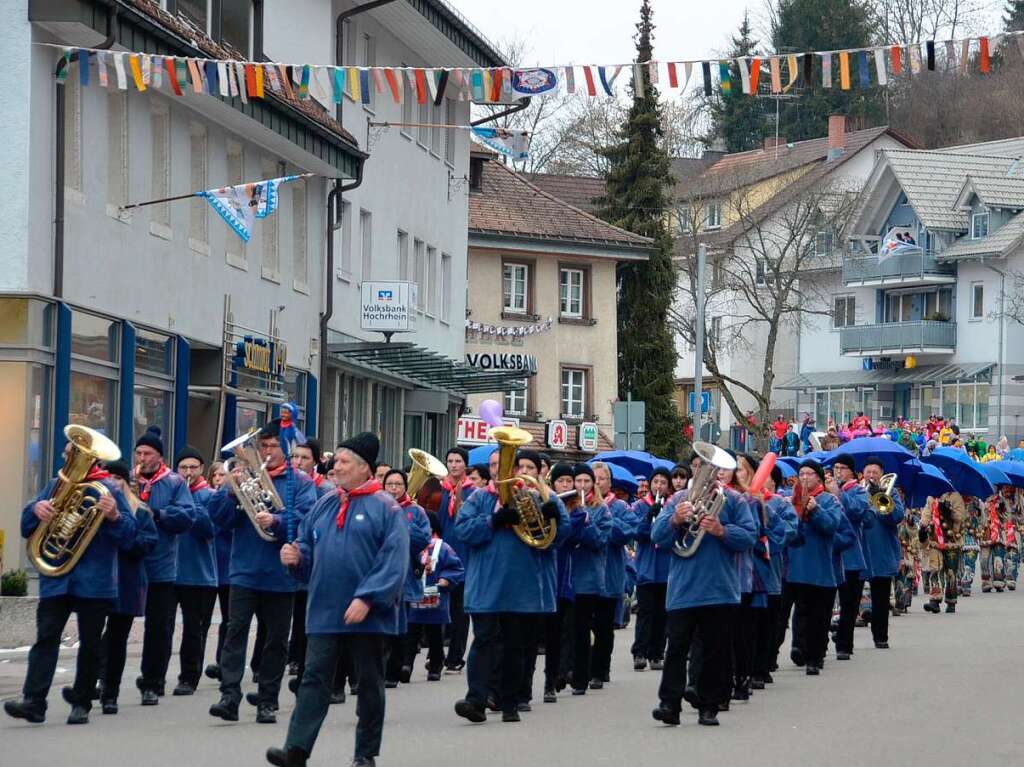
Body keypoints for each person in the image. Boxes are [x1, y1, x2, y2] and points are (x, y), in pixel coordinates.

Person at [267, 432, 409, 767]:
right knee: (314, 679)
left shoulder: (386, 508)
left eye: (344, 462)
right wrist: (296, 557)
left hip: (368, 614)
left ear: (364, 469)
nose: (336, 466)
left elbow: (394, 562)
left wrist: (368, 598)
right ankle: (296, 750)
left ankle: (365, 753)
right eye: (337, 460)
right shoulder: (324, 504)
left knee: (369, 685)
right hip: (325, 610)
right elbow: (307, 548)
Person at [5, 433, 136, 725]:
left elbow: (131, 536)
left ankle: (82, 702)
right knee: (46, 639)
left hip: (95, 581)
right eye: (68, 454)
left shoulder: (109, 490)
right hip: (57, 577)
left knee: (90, 643)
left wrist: (115, 517)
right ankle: (34, 701)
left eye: (73, 454)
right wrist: (35, 511)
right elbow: (27, 527)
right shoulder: (55, 485)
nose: (67, 459)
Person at [209, 420, 317, 725]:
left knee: (276, 640)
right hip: (243, 569)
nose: (267, 452)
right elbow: (220, 521)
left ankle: (267, 700)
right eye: (263, 446)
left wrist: (278, 522)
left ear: (286, 449)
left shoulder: (301, 483)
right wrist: (229, 492)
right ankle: (229, 695)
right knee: (235, 632)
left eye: (273, 446)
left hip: (280, 574)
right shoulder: (245, 477)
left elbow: (307, 524)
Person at [453, 446, 570, 724]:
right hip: (486, 586)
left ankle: (510, 704)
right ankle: (476, 700)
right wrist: (493, 520)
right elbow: (463, 530)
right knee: (483, 643)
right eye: (494, 466)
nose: (499, 471)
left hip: (523, 587)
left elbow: (557, 539)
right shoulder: (480, 498)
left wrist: (553, 516)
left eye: (504, 465)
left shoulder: (540, 496)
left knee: (515, 647)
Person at [649, 464, 756, 727]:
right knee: (675, 649)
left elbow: (750, 536)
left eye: (713, 469)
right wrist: (674, 519)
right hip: (683, 589)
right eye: (700, 468)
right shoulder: (677, 500)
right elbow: (657, 536)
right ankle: (669, 704)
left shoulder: (733, 500)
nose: (707, 474)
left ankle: (709, 706)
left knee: (715, 651)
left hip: (720, 590)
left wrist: (723, 531)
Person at [134, 426, 195, 705]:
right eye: (139, 453)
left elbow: (186, 517)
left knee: (158, 628)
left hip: (161, 566)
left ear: (159, 456)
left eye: (148, 453)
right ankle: (102, 679)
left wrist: (158, 514)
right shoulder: (128, 480)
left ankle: (153, 682)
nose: (142, 458)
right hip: (129, 565)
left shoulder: (173, 482)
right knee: (115, 624)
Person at [98, 460, 160, 715]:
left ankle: (109, 692)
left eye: (117, 477)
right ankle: (91, 683)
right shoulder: (95, 504)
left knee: (116, 638)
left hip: (126, 582)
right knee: (94, 637)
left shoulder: (140, 510)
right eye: (108, 477)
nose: (112, 482)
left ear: (126, 481)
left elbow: (148, 543)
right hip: (100, 580)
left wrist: (124, 537)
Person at [285, 439, 335, 688]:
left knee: (306, 613)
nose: (297, 462)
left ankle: (304, 664)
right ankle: (291, 658)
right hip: (287, 557)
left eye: (304, 458)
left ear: (315, 462)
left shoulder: (324, 488)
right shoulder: (286, 483)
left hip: (313, 558)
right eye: (294, 457)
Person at [173, 446, 222, 696]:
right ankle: (154, 679)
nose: (188, 472)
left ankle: (189, 677)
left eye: (193, 467)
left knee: (194, 629)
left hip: (199, 574)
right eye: (183, 468)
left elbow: (209, 529)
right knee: (162, 627)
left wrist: (188, 503)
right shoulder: (170, 491)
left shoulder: (210, 495)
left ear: (201, 469)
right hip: (170, 572)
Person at [786, 461, 840, 675]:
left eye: (809, 473)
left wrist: (815, 510)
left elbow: (831, 526)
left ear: (819, 478)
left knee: (819, 617)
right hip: (797, 568)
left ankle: (815, 658)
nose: (805, 477)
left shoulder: (829, 500)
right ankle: (800, 648)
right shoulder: (792, 501)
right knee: (801, 613)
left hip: (821, 569)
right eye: (802, 474)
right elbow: (789, 531)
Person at [381, 469, 431, 687]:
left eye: (398, 484)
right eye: (389, 484)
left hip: (405, 573)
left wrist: (402, 522)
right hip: (381, 572)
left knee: (401, 625)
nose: (393, 488)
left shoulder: (416, 511)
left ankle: (395, 669)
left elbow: (423, 540)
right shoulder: (376, 506)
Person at [567, 463, 612, 696]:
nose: (582, 486)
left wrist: (586, 520)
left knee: (583, 629)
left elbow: (599, 541)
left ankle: (581, 677)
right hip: (567, 576)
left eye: (587, 481)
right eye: (578, 481)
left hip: (588, 578)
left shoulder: (601, 510)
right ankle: (565, 671)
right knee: (567, 629)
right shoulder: (566, 505)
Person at [592, 462, 638, 689]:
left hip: (610, 574)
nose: (597, 482)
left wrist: (605, 514)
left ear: (609, 483)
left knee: (603, 626)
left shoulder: (619, 506)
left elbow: (628, 532)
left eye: (602, 478)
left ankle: (601, 669)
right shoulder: (581, 503)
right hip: (586, 575)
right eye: (594, 478)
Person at [750, 466, 797, 688]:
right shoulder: (742, 500)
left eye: (764, 476)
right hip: (745, 575)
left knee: (769, 624)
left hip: (771, 574)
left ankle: (765, 664)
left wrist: (765, 511)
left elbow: (788, 532)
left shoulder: (780, 503)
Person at [405, 514, 465, 681]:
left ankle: (436, 665)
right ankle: (406, 665)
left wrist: (446, 578)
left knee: (435, 634)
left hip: (435, 596)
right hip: (414, 596)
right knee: (411, 633)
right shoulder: (410, 546)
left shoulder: (442, 547)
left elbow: (455, 567)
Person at [437, 446, 477, 674]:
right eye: (450, 460)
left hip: (464, 556)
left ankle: (455, 657)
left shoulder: (473, 492)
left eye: (458, 461)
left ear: (465, 465)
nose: (453, 465)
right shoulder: (439, 490)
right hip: (441, 554)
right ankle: (436, 651)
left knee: (460, 610)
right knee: (439, 606)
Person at [829, 454, 873, 660]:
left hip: (852, 556)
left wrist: (839, 493)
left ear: (852, 472)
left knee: (849, 604)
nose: (838, 472)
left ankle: (845, 644)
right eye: (835, 468)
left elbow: (857, 511)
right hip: (830, 555)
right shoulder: (827, 491)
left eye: (842, 468)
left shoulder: (859, 491)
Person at [860, 456, 905, 648]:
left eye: (875, 472)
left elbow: (896, 517)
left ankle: (880, 636)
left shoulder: (891, 492)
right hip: (860, 549)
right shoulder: (856, 491)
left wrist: (881, 497)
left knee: (881, 597)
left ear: (881, 475)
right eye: (868, 472)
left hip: (882, 550)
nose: (871, 475)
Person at [206, 459, 234, 682]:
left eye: (223, 476)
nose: (218, 480)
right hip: (210, 565)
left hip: (227, 567)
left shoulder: (227, 500)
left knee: (229, 617)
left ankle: (222, 661)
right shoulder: (209, 497)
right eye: (215, 476)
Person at [920, 492, 966, 614]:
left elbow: (960, 517)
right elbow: (926, 513)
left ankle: (951, 601)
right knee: (935, 568)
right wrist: (923, 525)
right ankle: (935, 600)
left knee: (951, 572)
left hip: (952, 540)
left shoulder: (956, 497)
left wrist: (948, 510)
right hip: (935, 540)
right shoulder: (931, 497)